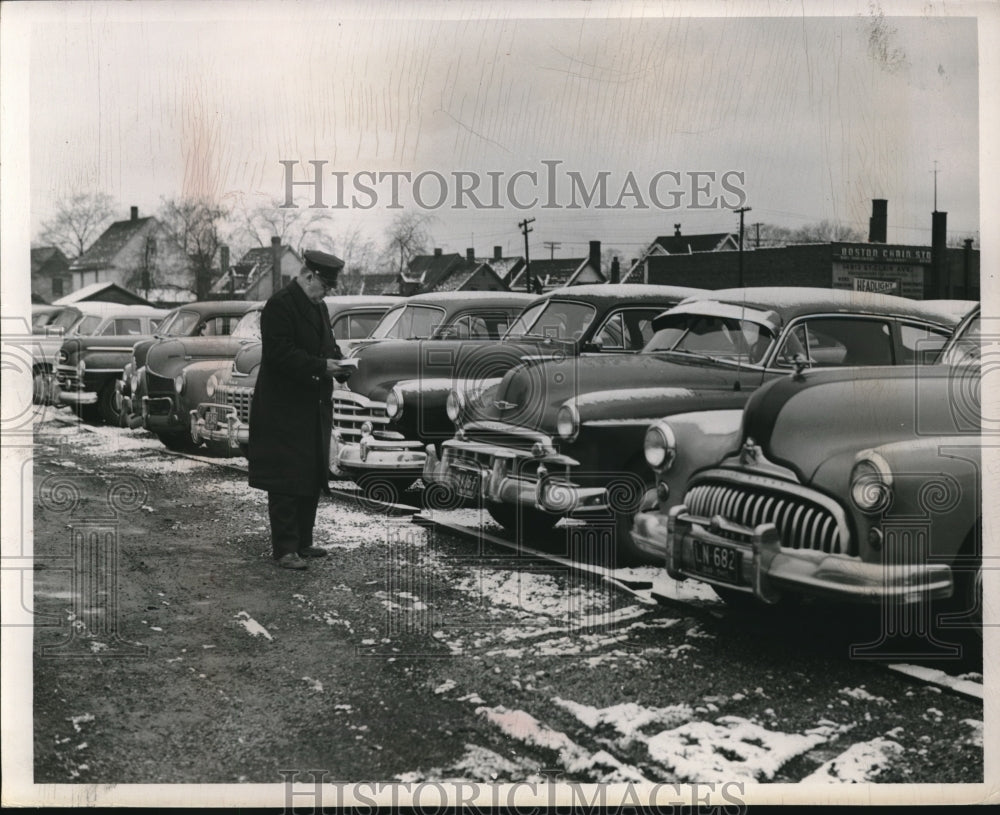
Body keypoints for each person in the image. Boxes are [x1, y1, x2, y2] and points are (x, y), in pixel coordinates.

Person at [248, 250, 347, 570]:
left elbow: (327, 345)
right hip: (284, 407)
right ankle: (285, 548)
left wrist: (342, 364)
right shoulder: (280, 305)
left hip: (312, 403)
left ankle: (303, 541)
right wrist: (322, 366)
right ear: (308, 277)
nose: (327, 292)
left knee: (310, 472)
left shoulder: (317, 306)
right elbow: (280, 354)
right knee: (286, 477)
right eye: (325, 285)